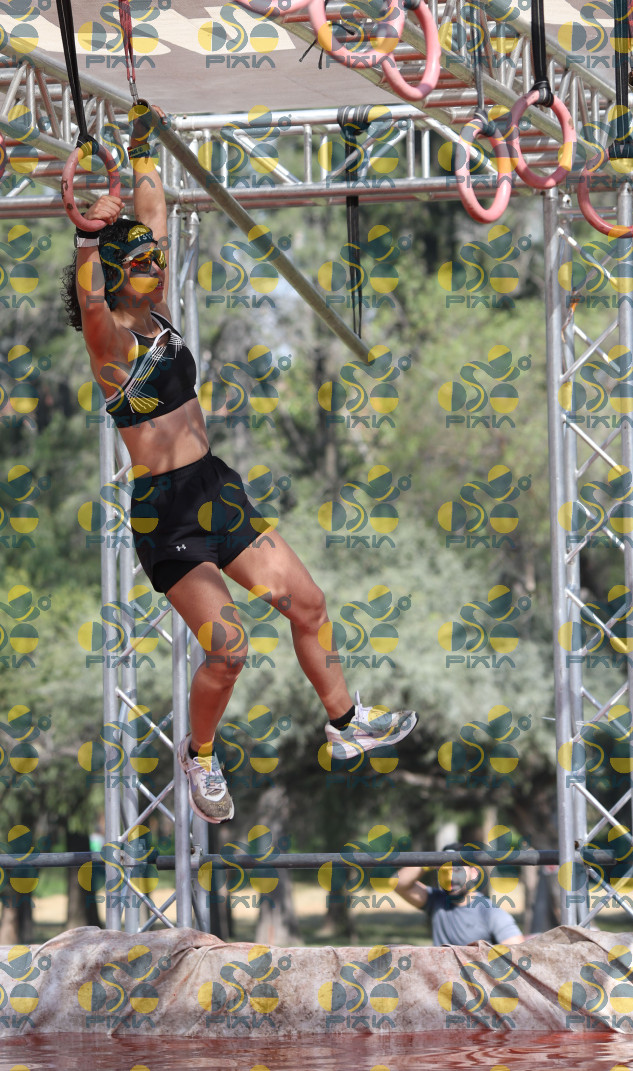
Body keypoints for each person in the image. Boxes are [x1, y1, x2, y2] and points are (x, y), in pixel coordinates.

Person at [62, 120, 417, 825]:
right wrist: (84, 234)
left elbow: (154, 212)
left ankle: (346, 724)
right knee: (228, 648)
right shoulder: (110, 342)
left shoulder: (160, 313)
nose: (156, 265)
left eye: (154, 258)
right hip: (165, 512)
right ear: (115, 274)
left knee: (308, 604)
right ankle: (199, 755)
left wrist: (141, 148)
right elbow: (91, 297)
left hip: (214, 488)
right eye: (141, 262)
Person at [393, 853, 524, 946]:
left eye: (457, 870)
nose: (451, 878)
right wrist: (428, 862)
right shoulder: (436, 901)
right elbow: (398, 883)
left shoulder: (490, 912)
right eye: (445, 871)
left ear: (474, 873)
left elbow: (516, 953)